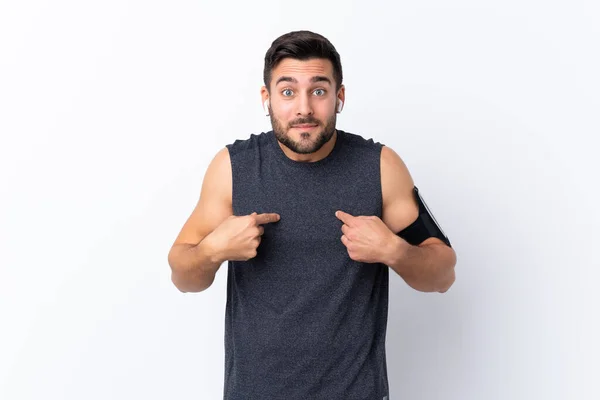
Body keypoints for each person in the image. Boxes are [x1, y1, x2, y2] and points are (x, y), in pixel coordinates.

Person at [168, 30, 457, 400]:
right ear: (266, 98)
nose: (303, 108)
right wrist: (213, 250)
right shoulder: (233, 168)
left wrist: (395, 251)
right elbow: (183, 276)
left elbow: (443, 275)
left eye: (318, 91)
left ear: (339, 97)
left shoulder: (380, 166)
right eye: (287, 91)